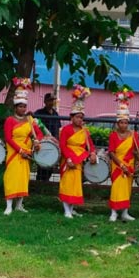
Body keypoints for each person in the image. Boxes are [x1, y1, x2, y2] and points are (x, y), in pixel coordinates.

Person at [108, 90, 139, 222]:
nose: (123, 125)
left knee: (127, 189)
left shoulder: (134, 135)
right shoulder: (113, 135)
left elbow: (138, 150)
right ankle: (114, 212)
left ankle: (125, 212)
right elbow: (111, 152)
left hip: (129, 164)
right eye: (121, 122)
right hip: (117, 165)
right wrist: (121, 165)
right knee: (116, 188)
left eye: (126, 122)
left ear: (128, 123)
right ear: (117, 123)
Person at [2, 78, 43, 215]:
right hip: (14, 152)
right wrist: (20, 151)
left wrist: (37, 142)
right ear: (15, 107)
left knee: (23, 178)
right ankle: (8, 206)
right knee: (11, 178)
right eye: (20, 106)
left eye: (24, 106)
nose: (23, 109)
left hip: (27, 152)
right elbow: (8, 138)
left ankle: (19, 205)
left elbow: (39, 134)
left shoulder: (30, 120)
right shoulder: (9, 120)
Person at [58, 87, 96, 219]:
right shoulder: (66, 130)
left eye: (81, 117)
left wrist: (93, 154)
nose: (80, 119)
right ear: (71, 117)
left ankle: (71, 208)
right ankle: (66, 210)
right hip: (68, 160)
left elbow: (90, 145)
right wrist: (68, 158)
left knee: (75, 185)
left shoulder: (84, 131)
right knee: (67, 184)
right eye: (77, 117)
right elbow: (62, 145)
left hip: (78, 160)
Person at [33, 92, 61, 182]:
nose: (51, 102)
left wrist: (57, 139)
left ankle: (45, 183)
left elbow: (58, 128)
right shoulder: (39, 113)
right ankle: (39, 183)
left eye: (53, 100)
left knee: (51, 165)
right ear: (45, 101)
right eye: (49, 100)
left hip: (53, 143)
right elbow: (34, 126)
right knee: (42, 164)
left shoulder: (56, 114)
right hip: (42, 143)